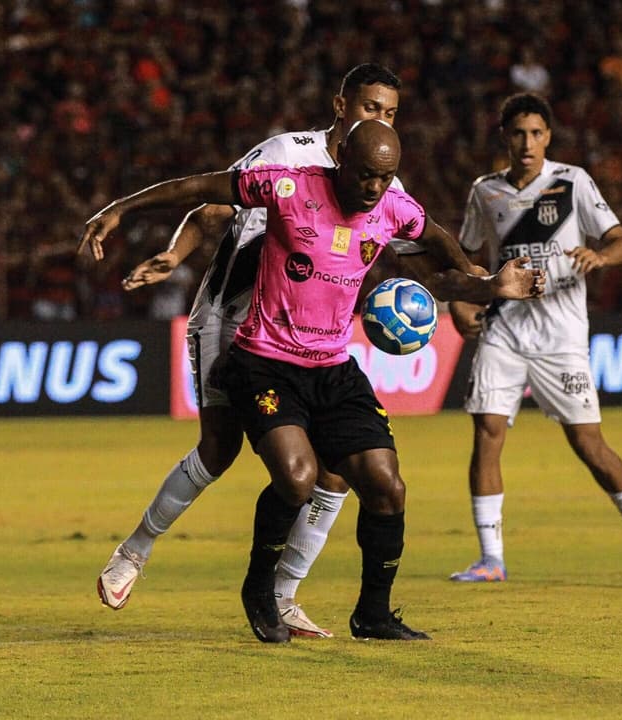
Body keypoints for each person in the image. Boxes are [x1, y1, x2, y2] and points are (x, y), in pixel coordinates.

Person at [82, 120, 546, 640]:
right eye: (367, 174)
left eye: (386, 176)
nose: (375, 187)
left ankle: (372, 614)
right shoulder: (287, 185)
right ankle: (260, 591)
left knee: (386, 484)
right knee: (296, 476)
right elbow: (199, 190)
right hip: (265, 359)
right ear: (341, 156)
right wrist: (119, 209)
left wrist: (489, 284)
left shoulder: (393, 207)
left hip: (331, 366)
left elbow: (436, 243)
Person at [93, 64, 411, 641]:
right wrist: (175, 254)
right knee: (219, 449)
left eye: (389, 112)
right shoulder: (289, 153)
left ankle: (284, 595)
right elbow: (212, 205)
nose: (378, 119)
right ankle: (134, 552)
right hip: (230, 316)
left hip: (310, 341)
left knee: (334, 471)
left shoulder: (378, 174)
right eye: (369, 107)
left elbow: (410, 239)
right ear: (342, 105)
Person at [447, 93, 622, 583]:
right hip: (505, 330)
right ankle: (491, 558)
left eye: (536, 133)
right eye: (518, 133)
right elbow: (467, 261)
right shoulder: (485, 192)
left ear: (548, 136)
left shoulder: (572, 182)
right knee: (487, 433)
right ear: (504, 138)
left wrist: (601, 257)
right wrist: (461, 302)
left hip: (562, 338)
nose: (527, 142)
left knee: (588, 443)